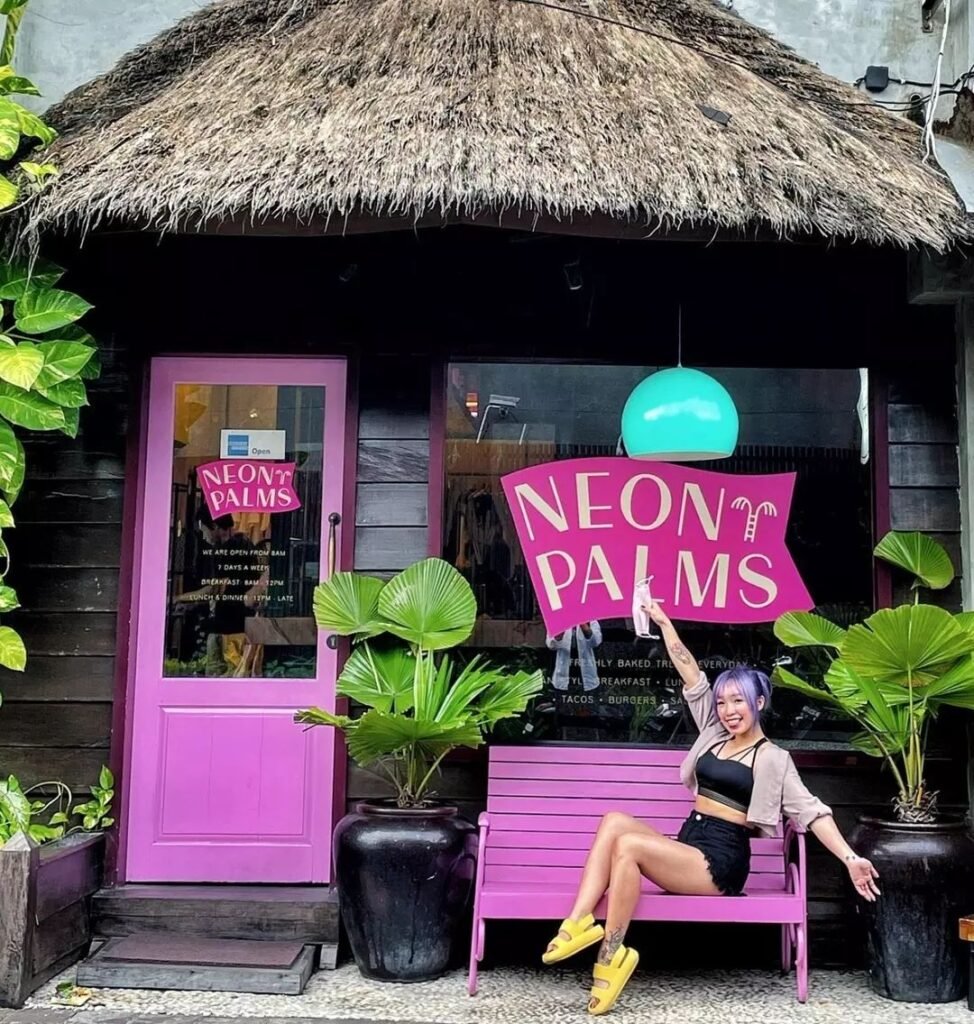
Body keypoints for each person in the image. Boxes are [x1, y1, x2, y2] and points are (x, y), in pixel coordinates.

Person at [541, 601, 880, 1016]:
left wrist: (850, 858)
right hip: (691, 842)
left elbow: (812, 812)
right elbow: (690, 673)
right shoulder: (715, 735)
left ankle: (610, 957)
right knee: (614, 822)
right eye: (722, 703)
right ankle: (577, 923)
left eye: (738, 701)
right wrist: (664, 623)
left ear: (759, 702)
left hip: (721, 859)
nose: (728, 711)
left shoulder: (772, 758)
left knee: (628, 847)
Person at [173, 508, 267, 676]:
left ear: (215, 526)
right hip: (235, 626)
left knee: (221, 678)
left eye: (203, 529)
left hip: (230, 631)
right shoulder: (242, 545)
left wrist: (179, 598)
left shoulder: (231, 549)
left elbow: (216, 589)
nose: (203, 535)